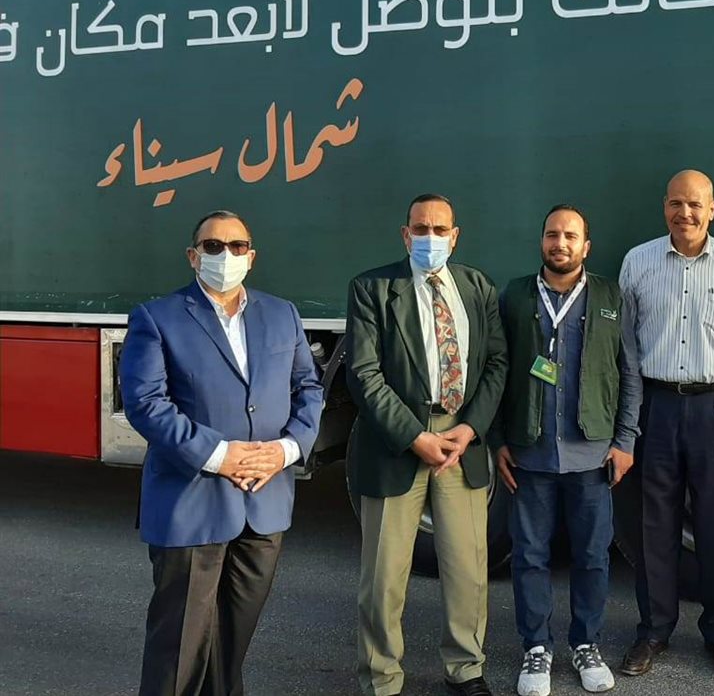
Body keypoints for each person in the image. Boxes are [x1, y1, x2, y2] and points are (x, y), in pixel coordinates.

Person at [120, 210, 324, 696]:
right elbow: (146, 404)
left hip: (264, 506)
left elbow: (309, 389)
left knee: (230, 652)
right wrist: (218, 456)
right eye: (213, 246)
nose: (225, 255)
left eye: (237, 246)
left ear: (251, 257)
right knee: (178, 652)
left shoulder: (282, 314)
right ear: (193, 256)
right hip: (191, 503)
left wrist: (286, 450)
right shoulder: (158, 317)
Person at [345, 194, 508, 696]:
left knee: (468, 570)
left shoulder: (477, 286)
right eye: (421, 229)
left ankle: (466, 668)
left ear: (455, 237)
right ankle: (381, 677)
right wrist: (415, 436)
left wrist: (471, 428)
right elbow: (364, 373)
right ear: (405, 234)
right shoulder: (372, 289)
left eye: (440, 230)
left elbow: (497, 362)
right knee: (384, 576)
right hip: (397, 442)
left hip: (461, 442)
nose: (430, 238)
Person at [617, 169, 714, 681]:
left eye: (694, 204)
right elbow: (626, 349)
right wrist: (629, 422)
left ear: (713, 209)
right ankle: (653, 630)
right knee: (654, 527)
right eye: (675, 203)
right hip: (657, 407)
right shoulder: (638, 262)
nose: (684, 213)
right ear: (664, 206)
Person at [496, 204, 642, 696]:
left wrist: (625, 441)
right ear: (542, 241)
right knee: (530, 555)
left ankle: (586, 644)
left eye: (570, 236)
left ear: (586, 246)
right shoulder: (515, 296)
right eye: (552, 234)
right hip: (530, 451)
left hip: (592, 454)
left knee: (593, 555)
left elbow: (629, 373)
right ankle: (536, 647)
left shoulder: (610, 296)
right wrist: (498, 439)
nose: (560, 243)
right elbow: (496, 370)